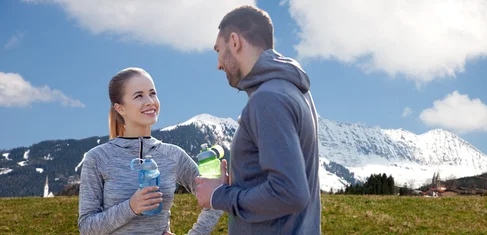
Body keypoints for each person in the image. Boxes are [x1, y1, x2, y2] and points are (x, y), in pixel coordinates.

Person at [194, 5, 321, 235]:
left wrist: (219, 196)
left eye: (218, 50)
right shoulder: (293, 90)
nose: (218, 63)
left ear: (234, 41)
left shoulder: (268, 98)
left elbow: (290, 193)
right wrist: (236, 182)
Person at [78, 67, 223, 235]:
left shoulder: (173, 156)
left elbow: (215, 198)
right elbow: (86, 227)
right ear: (120, 108)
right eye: (139, 96)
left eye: (152, 93)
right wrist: (131, 207)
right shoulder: (98, 158)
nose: (150, 101)